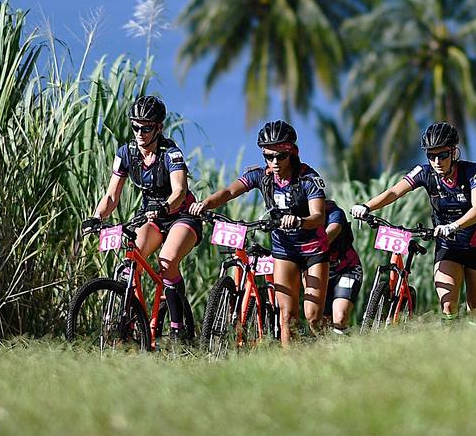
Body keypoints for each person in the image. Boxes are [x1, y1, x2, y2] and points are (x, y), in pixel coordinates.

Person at [189, 120, 328, 345]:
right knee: (287, 315)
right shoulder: (260, 176)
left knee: (312, 316)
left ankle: (329, 350)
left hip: (313, 249)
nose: (274, 162)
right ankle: (289, 366)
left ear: (291, 152)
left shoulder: (308, 179)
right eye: (268, 156)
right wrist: (206, 203)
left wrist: (299, 221)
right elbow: (228, 191)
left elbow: (318, 217)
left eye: (280, 156)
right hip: (284, 249)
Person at [351, 122, 476, 317]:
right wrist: (367, 206)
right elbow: (394, 191)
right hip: (448, 247)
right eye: (431, 156)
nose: (436, 161)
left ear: (453, 152)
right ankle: (450, 342)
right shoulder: (424, 172)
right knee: (448, 306)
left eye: (442, 155)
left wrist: (454, 225)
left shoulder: (472, 171)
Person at [89, 95, 201, 342]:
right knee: (132, 262)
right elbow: (111, 195)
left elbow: (179, 190)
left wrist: (164, 208)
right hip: (152, 217)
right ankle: (133, 322)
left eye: (146, 127)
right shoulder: (126, 153)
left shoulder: (170, 153)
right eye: (135, 126)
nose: (140, 132)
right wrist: (96, 217)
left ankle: (177, 327)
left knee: (166, 260)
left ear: (158, 128)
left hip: (180, 215)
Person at [323, 198, 364, 333]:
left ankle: (346, 346)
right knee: (322, 322)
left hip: (347, 269)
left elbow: (332, 232)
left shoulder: (334, 212)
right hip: (321, 272)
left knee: (339, 318)